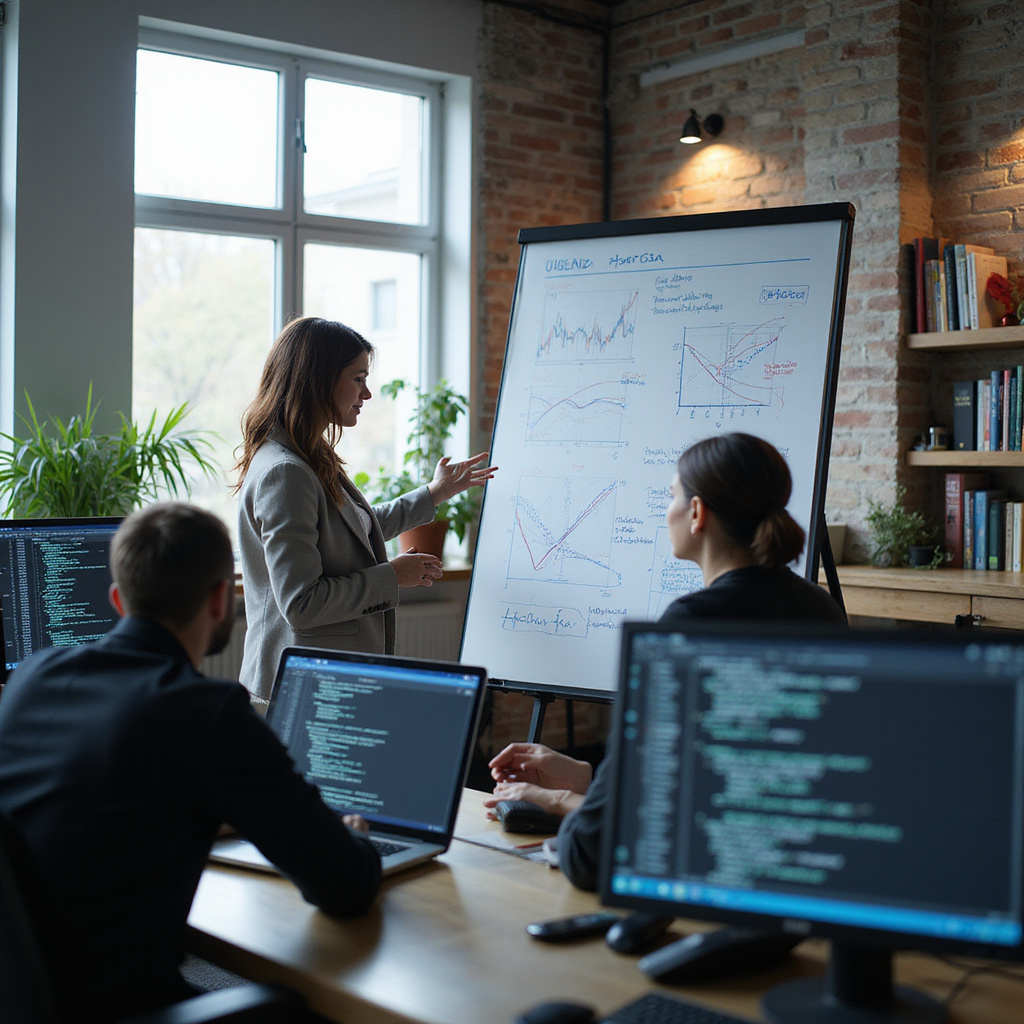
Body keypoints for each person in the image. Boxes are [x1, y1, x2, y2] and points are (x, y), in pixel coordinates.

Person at [0, 503, 382, 1023]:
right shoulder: (209, 712)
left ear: (118, 599)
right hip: (120, 1008)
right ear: (222, 598)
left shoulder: (31, 677)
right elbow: (345, 886)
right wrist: (353, 836)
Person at [486, 433, 847, 889]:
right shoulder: (822, 609)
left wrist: (557, 801)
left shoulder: (689, 624)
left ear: (697, 513)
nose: (667, 509)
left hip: (709, 881)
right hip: (804, 873)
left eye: (672, 496)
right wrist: (587, 779)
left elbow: (593, 851)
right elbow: (723, 789)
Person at [234, 316, 495, 704]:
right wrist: (392, 576)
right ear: (318, 381)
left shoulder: (306, 453)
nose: (368, 393)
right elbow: (301, 604)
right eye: (358, 378)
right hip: (303, 688)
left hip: (319, 680)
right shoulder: (286, 472)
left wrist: (435, 493)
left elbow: (354, 530)